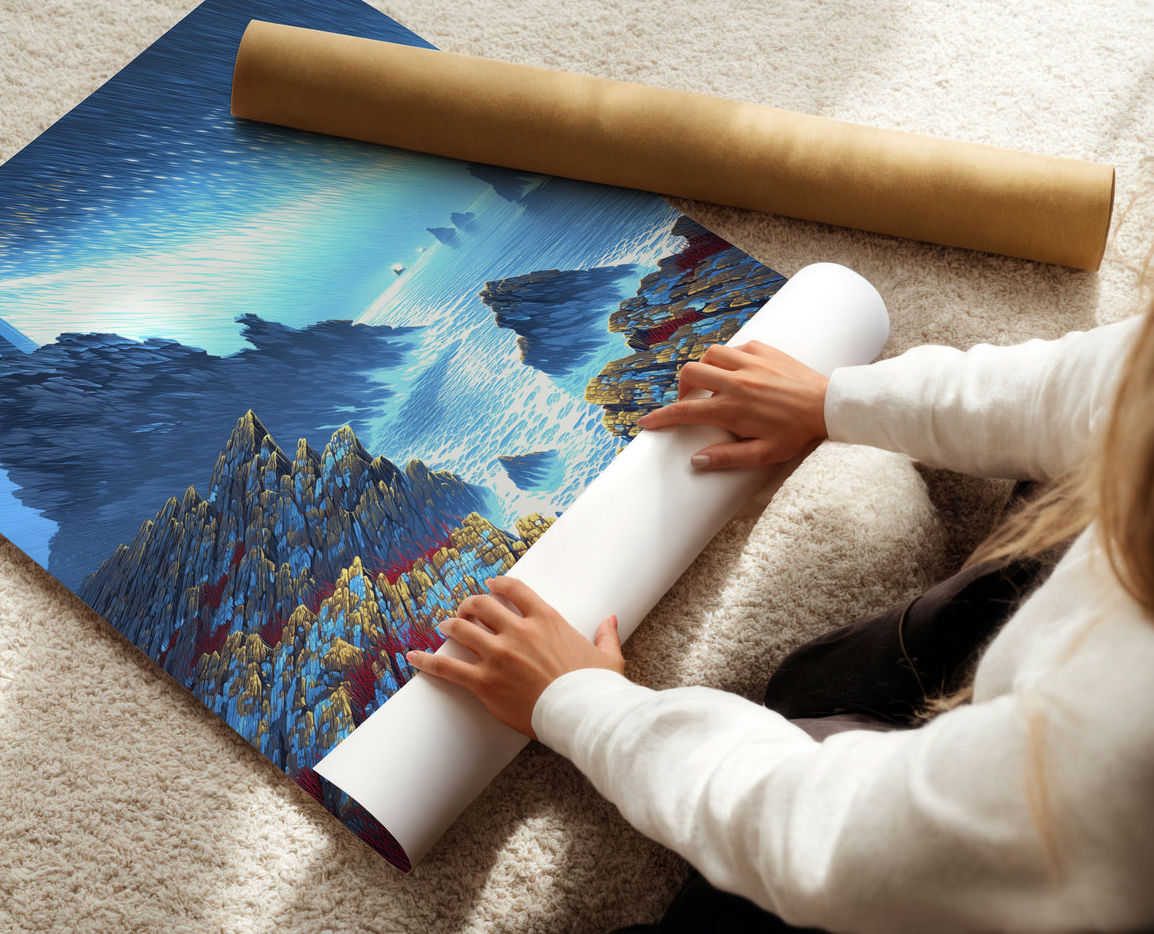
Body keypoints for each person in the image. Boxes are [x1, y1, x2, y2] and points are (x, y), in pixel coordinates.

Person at [406, 311, 1154, 932]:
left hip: (1047, 865)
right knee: (818, 685)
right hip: (1054, 725)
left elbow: (832, 839)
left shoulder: (1118, 747)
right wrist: (833, 400)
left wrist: (580, 703)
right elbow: (1098, 384)